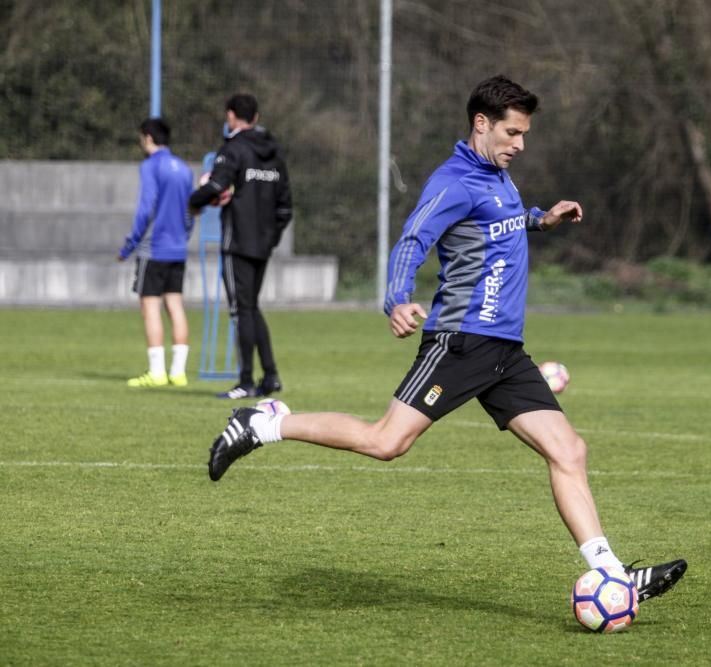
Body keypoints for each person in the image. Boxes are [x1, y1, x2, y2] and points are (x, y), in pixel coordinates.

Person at [206, 75, 686, 604]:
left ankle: (613, 574)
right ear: (481, 124)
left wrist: (541, 220)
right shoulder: (454, 181)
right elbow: (413, 239)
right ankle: (266, 422)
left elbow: (498, 225)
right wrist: (396, 300)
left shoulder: (499, 177)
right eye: (512, 132)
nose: (520, 145)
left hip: (504, 351)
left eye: (524, 134)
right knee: (386, 442)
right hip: (459, 342)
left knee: (569, 450)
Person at [189, 93, 292, 399]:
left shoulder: (233, 149)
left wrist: (193, 202)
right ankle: (270, 376)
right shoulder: (275, 154)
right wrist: (271, 237)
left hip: (238, 243)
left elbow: (217, 186)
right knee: (250, 308)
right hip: (263, 243)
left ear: (231, 116)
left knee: (239, 309)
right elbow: (285, 207)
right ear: (256, 118)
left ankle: (246, 382)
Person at [119, 117, 194, 388]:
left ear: (148, 137)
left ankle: (157, 372)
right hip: (178, 249)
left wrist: (129, 245)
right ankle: (179, 372)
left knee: (150, 306)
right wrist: (183, 236)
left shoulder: (151, 166)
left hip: (154, 249)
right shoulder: (184, 169)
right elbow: (191, 209)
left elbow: (146, 208)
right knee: (175, 305)